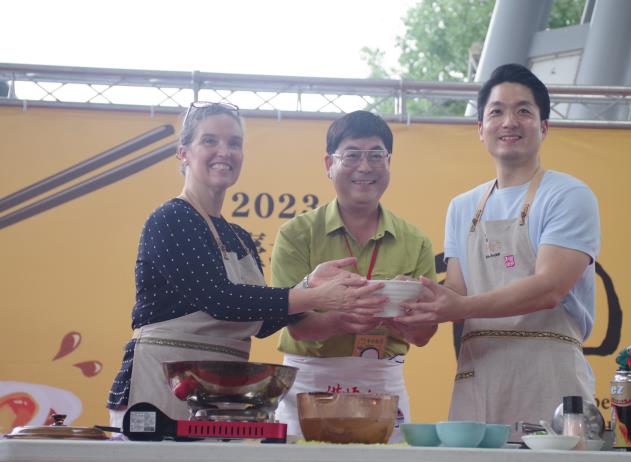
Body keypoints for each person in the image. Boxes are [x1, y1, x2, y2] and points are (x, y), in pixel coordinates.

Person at [106, 102, 385, 429]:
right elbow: (220, 300)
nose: (224, 151)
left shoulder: (238, 237)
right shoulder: (171, 218)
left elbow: (259, 321)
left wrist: (309, 284)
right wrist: (316, 297)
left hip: (218, 395)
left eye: (234, 143)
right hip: (159, 388)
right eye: (210, 141)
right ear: (183, 153)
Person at [396, 64, 600, 440]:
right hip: (480, 379)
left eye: (524, 111)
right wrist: (410, 307)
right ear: (480, 129)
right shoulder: (462, 206)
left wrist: (459, 307)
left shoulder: (568, 195)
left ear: (544, 127)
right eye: (497, 111)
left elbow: (549, 288)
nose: (510, 121)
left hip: (550, 382)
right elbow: (456, 291)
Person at [269, 110, 438, 438]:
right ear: (328, 164)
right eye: (352, 155)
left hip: (382, 382)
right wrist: (340, 320)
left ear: (389, 163)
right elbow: (294, 323)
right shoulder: (297, 234)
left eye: (377, 155)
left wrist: (402, 320)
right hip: (309, 381)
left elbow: (423, 334)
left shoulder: (415, 241)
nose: (365, 167)